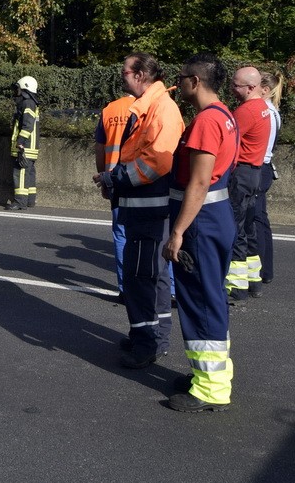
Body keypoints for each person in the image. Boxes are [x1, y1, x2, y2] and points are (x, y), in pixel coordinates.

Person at [93, 53, 184, 369]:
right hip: (142, 210)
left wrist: (112, 177)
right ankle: (151, 337)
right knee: (151, 278)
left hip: (149, 211)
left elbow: (158, 162)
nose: (122, 76)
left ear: (142, 74)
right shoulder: (149, 106)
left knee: (141, 279)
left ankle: (148, 343)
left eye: (126, 72)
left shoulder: (161, 109)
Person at [162, 52, 238, 412]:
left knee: (200, 301)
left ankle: (209, 388)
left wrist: (178, 231)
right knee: (209, 296)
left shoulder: (207, 121)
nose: (178, 84)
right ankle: (207, 375)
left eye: (181, 78)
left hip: (200, 222)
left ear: (195, 81)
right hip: (214, 217)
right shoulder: (225, 115)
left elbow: (200, 180)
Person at [225, 66, 271, 303]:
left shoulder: (246, 112)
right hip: (254, 172)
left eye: (236, 85)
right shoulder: (263, 108)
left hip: (241, 173)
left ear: (251, 87)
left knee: (235, 228)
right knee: (249, 227)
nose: (232, 89)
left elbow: (227, 141)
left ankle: (236, 285)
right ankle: (253, 281)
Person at [94, 94, 135, 297]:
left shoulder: (110, 110)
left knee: (121, 233)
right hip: (143, 179)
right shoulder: (151, 106)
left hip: (114, 180)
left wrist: (104, 177)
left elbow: (100, 148)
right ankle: (169, 288)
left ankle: (125, 289)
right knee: (158, 234)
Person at [252, 70, 284, 294]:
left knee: (255, 221)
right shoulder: (273, 112)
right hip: (264, 168)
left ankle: (262, 269)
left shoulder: (266, 113)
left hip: (259, 167)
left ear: (264, 89)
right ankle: (265, 270)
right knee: (260, 220)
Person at [7, 76, 39, 210]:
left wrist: (20, 142)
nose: (17, 91)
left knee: (20, 173)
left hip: (25, 146)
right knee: (29, 173)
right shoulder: (32, 103)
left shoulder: (27, 103)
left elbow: (27, 125)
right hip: (31, 146)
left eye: (18, 88)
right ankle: (30, 200)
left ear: (24, 88)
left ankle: (20, 202)